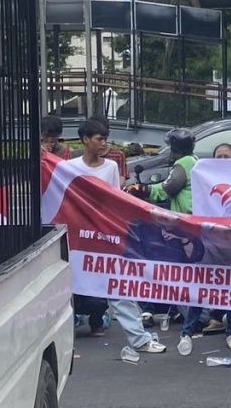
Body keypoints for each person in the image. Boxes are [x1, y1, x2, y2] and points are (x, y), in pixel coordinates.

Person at [65, 118, 165, 354]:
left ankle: (139, 338)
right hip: (78, 237)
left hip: (104, 236)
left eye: (105, 139)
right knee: (67, 288)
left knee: (118, 286)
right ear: (85, 140)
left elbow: (114, 200)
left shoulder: (110, 167)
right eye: (99, 139)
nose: (104, 144)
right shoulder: (69, 168)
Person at [126, 128, 201, 355]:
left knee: (178, 270)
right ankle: (182, 317)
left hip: (185, 224)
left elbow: (169, 188)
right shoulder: (195, 160)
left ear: (175, 148)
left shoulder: (184, 164)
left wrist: (143, 189)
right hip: (192, 222)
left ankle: (184, 321)